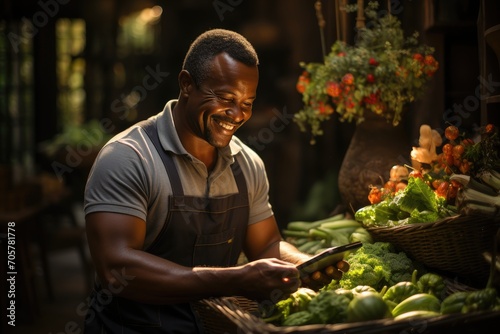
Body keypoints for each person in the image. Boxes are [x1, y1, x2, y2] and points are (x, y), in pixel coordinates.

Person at [83, 28, 336, 333]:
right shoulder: (128, 158)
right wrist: (236, 279)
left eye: (247, 102)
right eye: (226, 98)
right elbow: (117, 269)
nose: (236, 114)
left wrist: (307, 265)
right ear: (186, 84)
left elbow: (267, 244)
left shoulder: (248, 164)